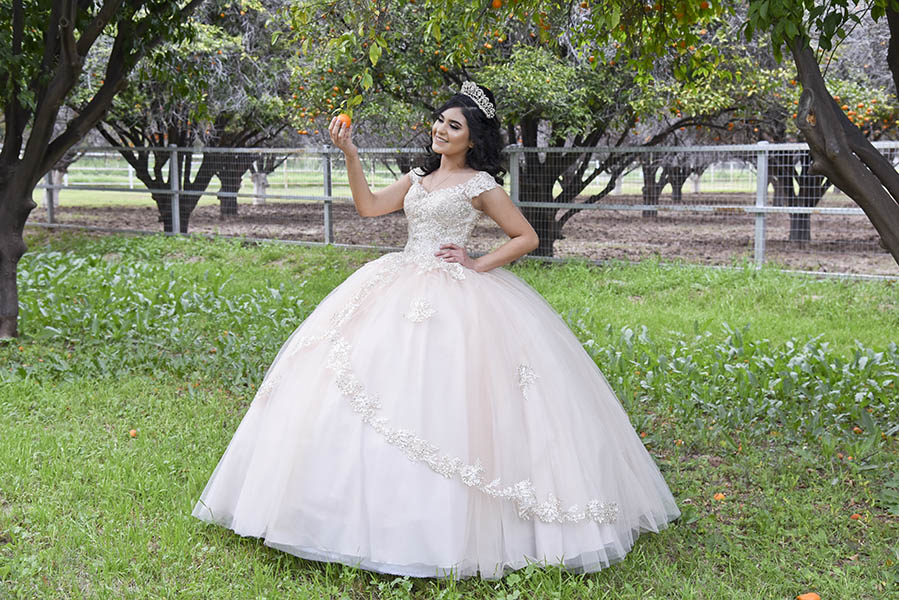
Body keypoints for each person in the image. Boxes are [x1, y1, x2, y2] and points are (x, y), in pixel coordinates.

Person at [192, 82, 680, 580]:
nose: (440, 131)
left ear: (472, 139)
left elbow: (527, 237)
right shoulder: (418, 177)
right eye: (440, 121)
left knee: (451, 398)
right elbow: (368, 207)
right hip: (398, 280)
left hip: (456, 294)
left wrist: (476, 261)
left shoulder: (479, 185)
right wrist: (351, 155)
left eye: (454, 126)